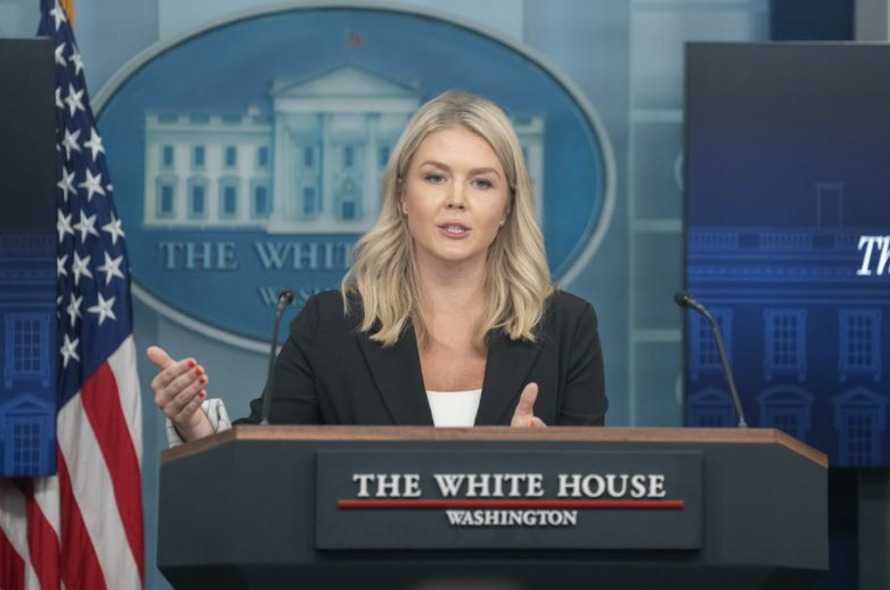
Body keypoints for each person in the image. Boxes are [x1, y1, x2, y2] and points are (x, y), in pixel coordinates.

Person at [148, 90, 607, 444]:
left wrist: (546, 464)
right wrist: (192, 423)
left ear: (507, 205)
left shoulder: (567, 327)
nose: (456, 199)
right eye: (435, 177)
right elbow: (262, 458)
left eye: (481, 183)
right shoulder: (330, 325)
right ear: (403, 195)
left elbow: (595, 492)